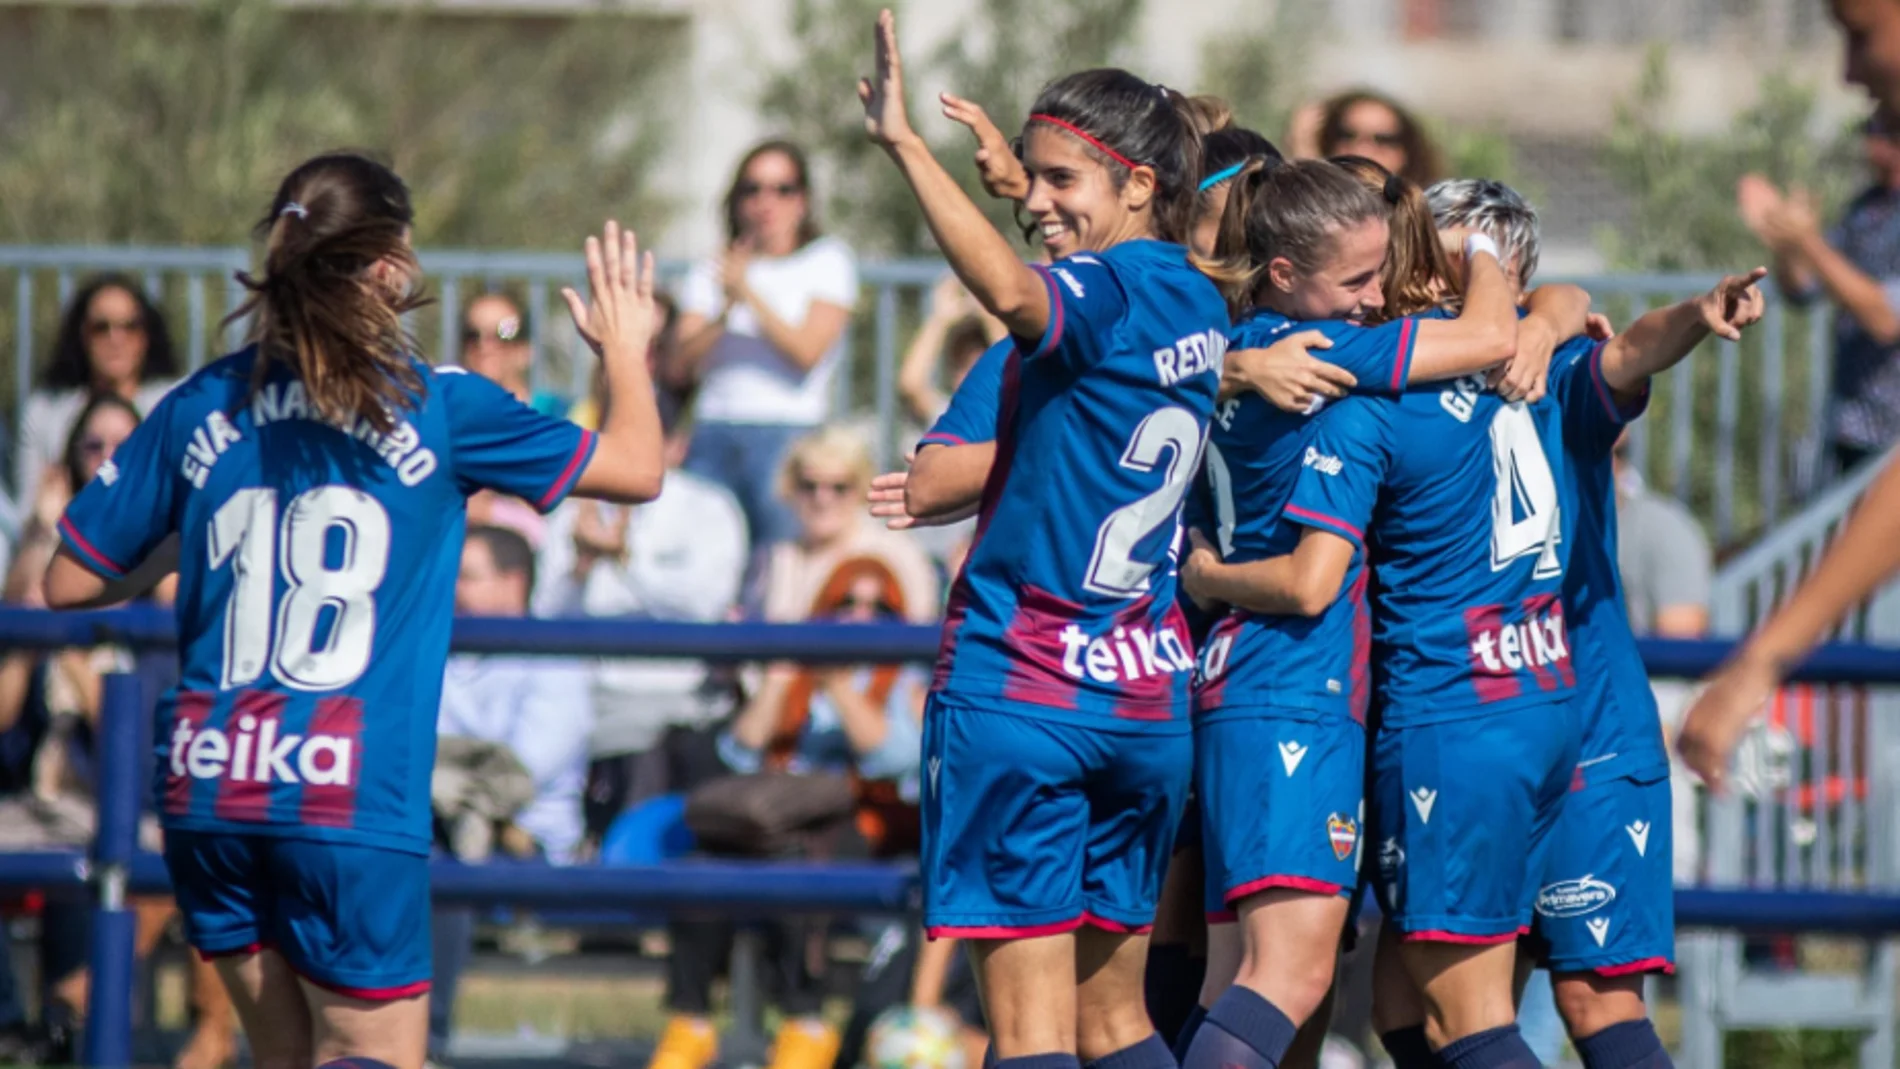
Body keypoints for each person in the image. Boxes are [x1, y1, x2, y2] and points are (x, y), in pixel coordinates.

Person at [41, 151, 666, 1069]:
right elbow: (639, 467)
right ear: (389, 266)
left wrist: (197, 538)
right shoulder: (438, 404)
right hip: (345, 793)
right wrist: (623, 349)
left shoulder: (207, 397)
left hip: (212, 778)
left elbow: (67, 581)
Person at [861, 13, 1228, 1069]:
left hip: (1025, 688)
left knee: (1025, 1042)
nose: (1033, 197)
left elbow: (1020, 296)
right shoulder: (1199, 300)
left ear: (1140, 187)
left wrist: (904, 148)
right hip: (1142, 701)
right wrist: (1040, 199)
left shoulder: (1092, 298)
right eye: (1027, 176)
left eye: (1061, 178)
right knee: (1115, 1028)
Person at [1426, 178, 1766, 1069]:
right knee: (1438, 1000)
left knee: (1591, 992)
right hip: (1459, 728)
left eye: (1463, 261)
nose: (1436, 280)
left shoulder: (1557, 372)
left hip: (1588, 728)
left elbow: (1630, 352)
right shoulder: (1395, 371)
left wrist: (1693, 313)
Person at [1673, 0, 1900, 799]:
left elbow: (1881, 311)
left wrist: (1760, 661)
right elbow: (1814, 293)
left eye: (1858, 33)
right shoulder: (1870, 212)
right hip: (1856, 448)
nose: (1850, 74)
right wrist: (1790, 248)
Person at [675, 140, 859, 550]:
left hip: (788, 434)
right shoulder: (712, 268)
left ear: (803, 200)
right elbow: (681, 361)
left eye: (783, 188)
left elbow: (806, 352)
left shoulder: (827, 261)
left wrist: (748, 292)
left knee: (778, 568)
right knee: (704, 565)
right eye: (752, 189)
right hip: (714, 429)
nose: (765, 202)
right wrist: (723, 309)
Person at [1737, 105, 1900, 476]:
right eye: (1870, 132)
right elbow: (1803, 289)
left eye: (1887, 133)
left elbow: (1886, 318)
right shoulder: (1866, 208)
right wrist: (1786, 241)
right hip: (1852, 428)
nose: (1873, 146)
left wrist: (1808, 242)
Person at [16, 274, 181, 509]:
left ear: (146, 336)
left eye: (130, 326)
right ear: (82, 335)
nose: (116, 339)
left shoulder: (174, 406)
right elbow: (29, 512)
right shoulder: (45, 415)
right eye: (101, 328)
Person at [1286, 91, 1443, 190]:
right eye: (1346, 135)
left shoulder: (1433, 222)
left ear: (1408, 153)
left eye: (1383, 139)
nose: (1362, 150)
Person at [458, 291, 570, 418]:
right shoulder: (449, 417)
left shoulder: (560, 415)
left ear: (526, 348)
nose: (485, 346)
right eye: (472, 335)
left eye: (504, 333)